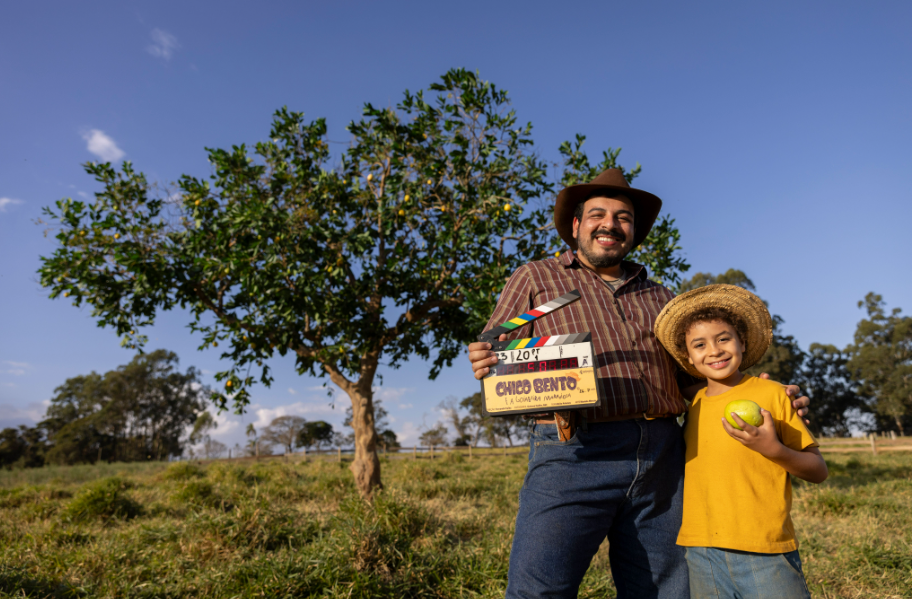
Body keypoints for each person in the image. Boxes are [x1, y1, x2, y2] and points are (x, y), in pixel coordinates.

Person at [466, 169, 810, 599]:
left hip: (663, 456)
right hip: (573, 451)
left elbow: (695, 382)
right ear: (576, 226)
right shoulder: (537, 279)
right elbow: (496, 349)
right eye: (597, 214)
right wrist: (485, 356)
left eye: (623, 217)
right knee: (540, 589)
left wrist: (762, 397)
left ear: (634, 231)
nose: (610, 223)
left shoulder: (662, 299)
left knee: (666, 591)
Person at [653, 284, 826, 598]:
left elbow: (817, 469)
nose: (715, 350)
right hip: (700, 549)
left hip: (764, 548)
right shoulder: (693, 405)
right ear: (688, 358)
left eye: (723, 339)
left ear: (742, 343)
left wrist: (772, 449)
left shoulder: (772, 394)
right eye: (700, 345)